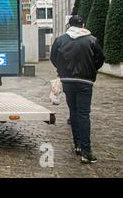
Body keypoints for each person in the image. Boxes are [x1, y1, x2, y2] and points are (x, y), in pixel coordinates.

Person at [50, 15, 105, 164]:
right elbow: (100, 58)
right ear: (83, 25)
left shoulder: (60, 40)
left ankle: (78, 146)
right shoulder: (92, 40)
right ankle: (86, 152)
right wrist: (91, 69)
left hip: (67, 81)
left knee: (73, 112)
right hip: (85, 81)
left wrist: (63, 70)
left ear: (69, 25)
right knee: (84, 114)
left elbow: (53, 58)